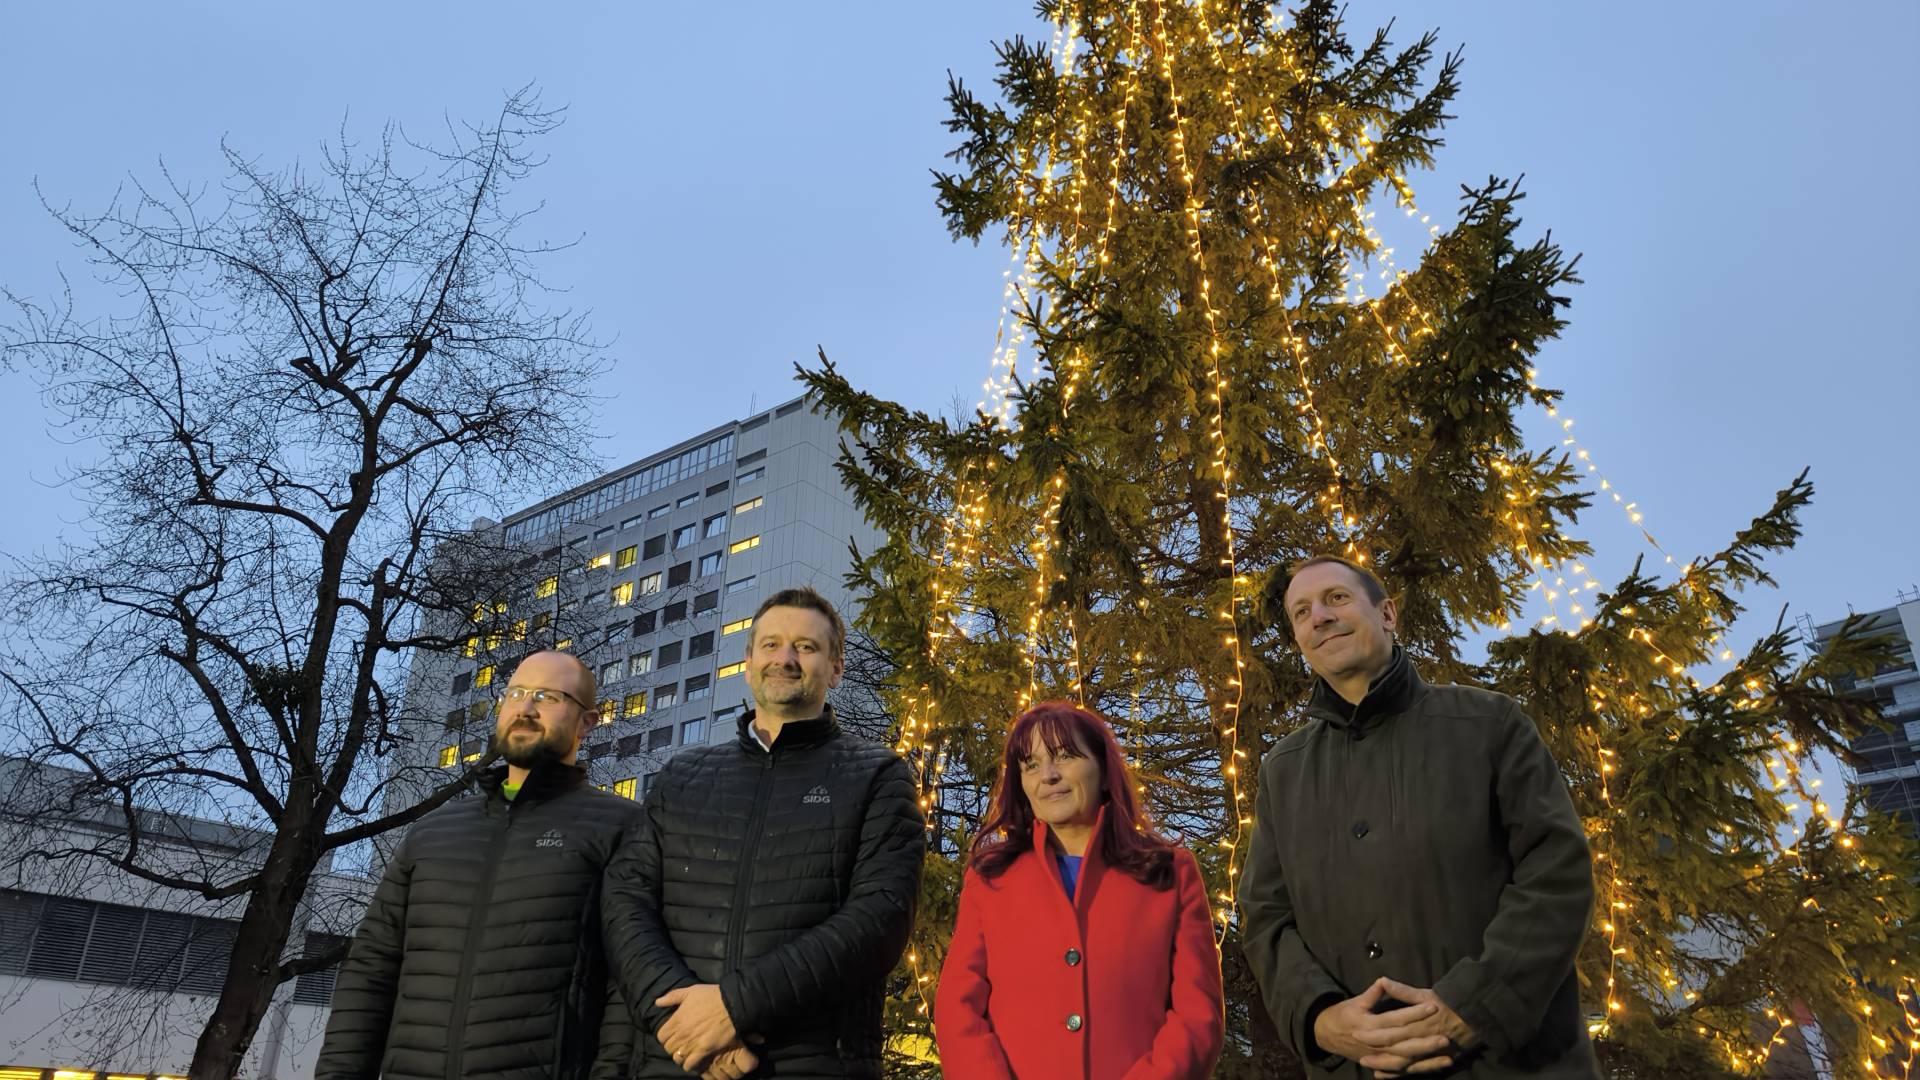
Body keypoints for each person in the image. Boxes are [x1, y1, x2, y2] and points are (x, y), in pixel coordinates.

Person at [1240, 555, 1600, 1078]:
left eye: (1336, 598)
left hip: (1513, 1065)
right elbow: (1266, 917)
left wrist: (1472, 1007)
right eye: (1300, 612)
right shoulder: (1283, 772)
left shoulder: (1489, 725)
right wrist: (1320, 1018)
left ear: (1387, 614)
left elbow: (1556, 873)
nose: (1318, 616)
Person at [604, 586, 924, 1078]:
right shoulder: (682, 776)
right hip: (677, 1062)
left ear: (836, 669)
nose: (787, 658)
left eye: (807, 647)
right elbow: (626, 903)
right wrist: (684, 1025)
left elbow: (878, 921)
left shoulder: (878, 776)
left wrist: (734, 1007)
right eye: (771, 645)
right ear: (749, 661)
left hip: (810, 1066)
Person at [317, 649, 643, 1080]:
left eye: (548, 697)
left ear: (587, 722)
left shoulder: (622, 828)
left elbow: (629, 982)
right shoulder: (432, 832)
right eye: (516, 694)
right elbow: (370, 971)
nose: (525, 708)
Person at [936, 701, 1225, 1079]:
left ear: (1104, 770)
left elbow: (1198, 1016)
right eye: (1031, 765)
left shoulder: (1170, 873)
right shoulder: (990, 879)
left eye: (1065, 756)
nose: (1048, 776)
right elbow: (958, 1009)